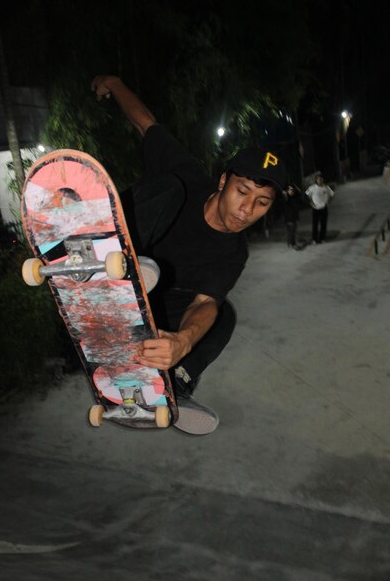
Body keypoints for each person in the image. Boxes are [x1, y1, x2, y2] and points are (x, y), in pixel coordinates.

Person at [91, 74, 287, 435]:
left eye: (261, 203)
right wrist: (116, 84)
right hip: (122, 261)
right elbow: (145, 123)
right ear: (223, 181)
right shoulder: (189, 175)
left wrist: (183, 342)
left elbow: (203, 302)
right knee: (168, 186)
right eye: (242, 192)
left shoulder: (234, 253)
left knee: (221, 314)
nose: (247, 209)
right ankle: (115, 256)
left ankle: (171, 385)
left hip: (155, 305)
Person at [305, 173, 334, 244]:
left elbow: (332, 195)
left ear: (323, 180)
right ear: (316, 180)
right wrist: (311, 203)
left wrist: (328, 202)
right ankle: (314, 239)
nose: (320, 180)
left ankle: (322, 238)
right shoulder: (312, 188)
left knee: (323, 224)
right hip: (315, 209)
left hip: (324, 208)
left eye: (321, 179)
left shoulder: (326, 187)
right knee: (315, 225)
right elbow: (306, 196)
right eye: (318, 179)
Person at [282, 183, 302, 249]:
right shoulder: (286, 198)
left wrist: (296, 187)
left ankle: (291, 243)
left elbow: (300, 194)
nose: (291, 191)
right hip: (289, 218)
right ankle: (291, 243)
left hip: (295, 217)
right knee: (290, 232)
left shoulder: (295, 197)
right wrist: (285, 194)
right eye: (290, 190)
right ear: (287, 191)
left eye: (293, 190)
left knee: (294, 231)